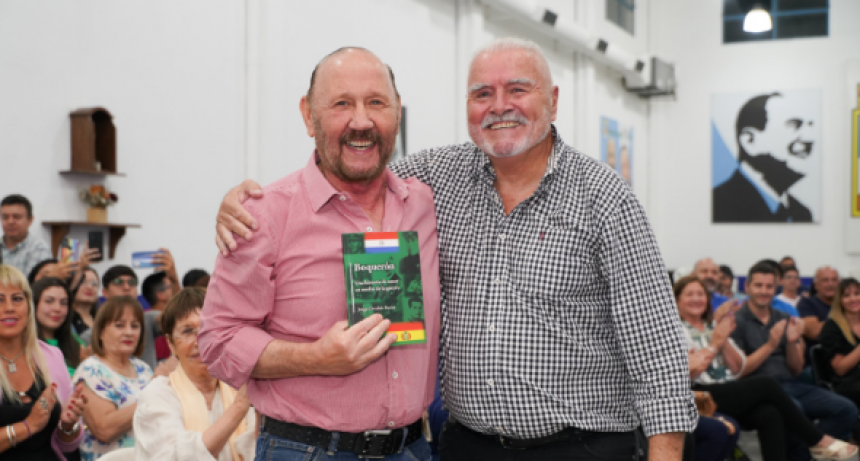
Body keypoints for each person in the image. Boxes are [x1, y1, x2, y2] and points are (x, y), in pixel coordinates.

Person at [214, 38, 697, 460]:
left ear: (552, 101)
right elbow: (349, 167)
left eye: (518, 90)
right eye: (482, 94)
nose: (499, 106)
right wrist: (241, 202)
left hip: (581, 447)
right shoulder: (431, 181)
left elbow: (659, 354)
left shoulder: (602, 198)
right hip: (458, 447)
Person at [199, 47, 441, 461]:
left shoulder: (425, 202)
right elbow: (218, 342)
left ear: (397, 113)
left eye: (376, 103)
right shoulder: (263, 215)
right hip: (307, 450)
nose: (361, 121)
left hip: (412, 448)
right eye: (341, 104)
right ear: (309, 116)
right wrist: (314, 358)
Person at [675, 274, 858, 461]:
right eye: (690, 294)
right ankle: (817, 440)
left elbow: (737, 369)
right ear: (676, 300)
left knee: (770, 413)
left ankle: (811, 446)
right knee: (766, 384)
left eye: (701, 294)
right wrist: (715, 344)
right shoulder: (676, 330)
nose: (696, 299)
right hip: (696, 395)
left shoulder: (713, 326)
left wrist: (721, 338)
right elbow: (689, 372)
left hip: (724, 389)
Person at [730, 263, 858, 442]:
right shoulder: (736, 321)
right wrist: (770, 345)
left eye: (769, 286)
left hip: (790, 384)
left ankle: (810, 449)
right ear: (747, 286)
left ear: (776, 288)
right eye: (759, 285)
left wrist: (792, 344)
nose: (764, 291)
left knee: (846, 409)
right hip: (757, 389)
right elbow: (738, 371)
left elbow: (796, 369)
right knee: (795, 410)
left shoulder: (783, 318)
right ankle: (811, 446)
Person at [134, 287, 257, 461]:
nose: (201, 341)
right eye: (187, 331)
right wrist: (239, 407)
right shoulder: (157, 394)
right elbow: (179, 457)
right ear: (170, 343)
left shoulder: (236, 389)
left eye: (209, 329)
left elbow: (257, 452)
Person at [0, 264, 87, 460]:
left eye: (17, 299)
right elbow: (33, 424)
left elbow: (67, 444)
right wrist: (28, 426)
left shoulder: (51, 356)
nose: (9, 308)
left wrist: (68, 425)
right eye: (0, 299)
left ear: (29, 306)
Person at [713, 93, 815, 222]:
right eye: (795, 125)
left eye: (810, 126)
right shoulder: (719, 205)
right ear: (750, 141)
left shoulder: (802, 214)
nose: (810, 139)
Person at [73, 296, 153, 460]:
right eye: (119, 325)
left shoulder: (143, 369)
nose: (129, 332)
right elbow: (104, 429)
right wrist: (153, 395)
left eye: (135, 326)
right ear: (101, 332)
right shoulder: (91, 370)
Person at [99, 266, 162, 370]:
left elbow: (175, 320)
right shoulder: (90, 334)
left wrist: (173, 281)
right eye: (118, 282)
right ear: (105, 292)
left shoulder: (148, 318)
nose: (127, 287)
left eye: (132, 283)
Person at [818, 278, 860, 408]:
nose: (853, 299)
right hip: (847, 383)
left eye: (857, 293)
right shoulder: (832, 327)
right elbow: (840, 369)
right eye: (847, 295)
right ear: (839, 301)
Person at [31, 277, 83, 376]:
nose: (57, 308)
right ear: (33, 304)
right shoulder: (24, 345)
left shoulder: (76, 342)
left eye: (63, 303)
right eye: (49, 301)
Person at [1, 194, 52, 277]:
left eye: (17, 217)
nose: (10, 222)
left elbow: (33, 283)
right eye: (5, 217)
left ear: (30, 220)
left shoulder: (39, 248)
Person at [800, 266, 840, 343]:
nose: (830, 284)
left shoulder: (845, 303)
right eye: (825, 280)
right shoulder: (807, 303)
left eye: (834, 280)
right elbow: (813, 332)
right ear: (816, 285)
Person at [70, 268, 100, 337]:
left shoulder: (102, 318)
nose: (89, 287)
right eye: (83, 282)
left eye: (94, 284)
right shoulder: (66, 319)